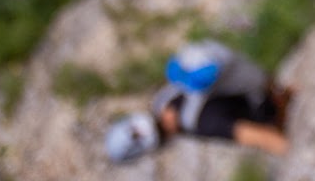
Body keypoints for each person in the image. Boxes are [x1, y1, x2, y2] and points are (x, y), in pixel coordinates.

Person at [104, 40, 291, 163]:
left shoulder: (199, 121)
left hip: (272, 104)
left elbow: (265, 139)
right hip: (266, 84)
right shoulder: (167, 97)